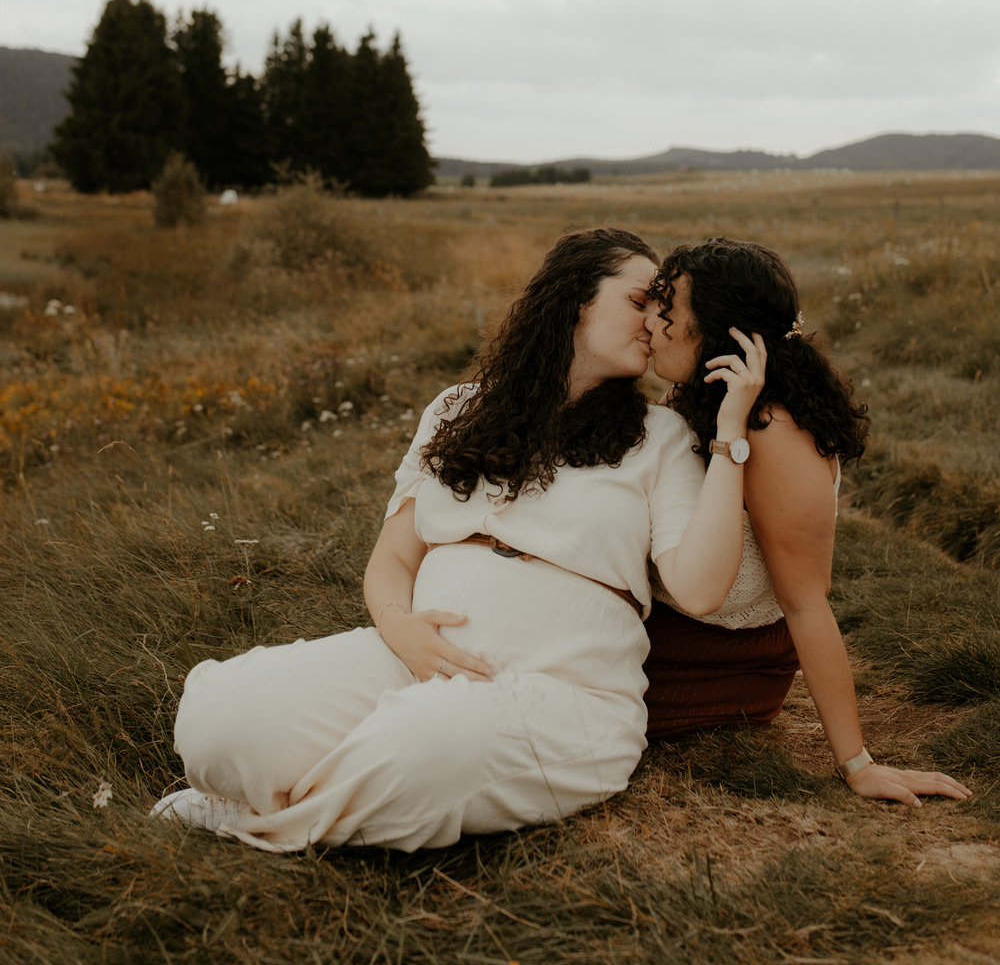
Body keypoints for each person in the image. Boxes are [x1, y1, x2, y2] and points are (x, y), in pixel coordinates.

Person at [151, 227, 766, 851]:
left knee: (427, 746)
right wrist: (399, 628)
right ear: (576, 299)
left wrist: (729, 432)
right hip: (413, 660)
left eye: (663, 309)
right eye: (639, 301)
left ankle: (250, 815)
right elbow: (393, 558)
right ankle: (327, 790)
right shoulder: (457, 408)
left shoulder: (658, 435)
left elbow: (702, 586)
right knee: (221, 718)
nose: (654, 323)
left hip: (563, 695)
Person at [642, 236, 972, 808]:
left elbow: (807, 602)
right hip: (666, 622)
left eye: (670, 313)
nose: (653, 324)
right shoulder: (701, 397)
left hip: (721, 655)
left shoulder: (774, 434)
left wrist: (857, 763)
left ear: (721, 337)